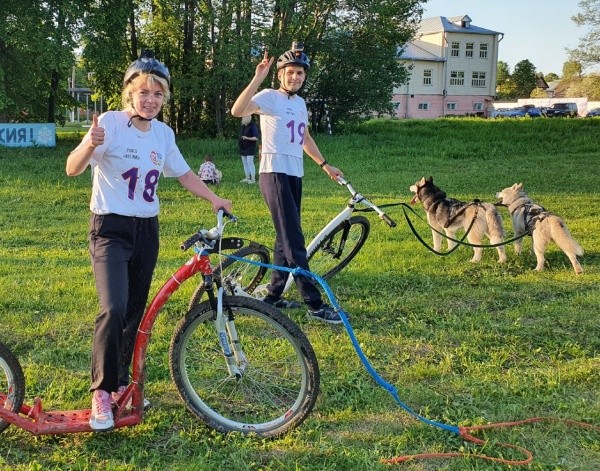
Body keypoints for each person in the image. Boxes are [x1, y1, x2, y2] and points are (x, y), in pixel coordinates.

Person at [65, 50, 232, 432]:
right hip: (110, 229)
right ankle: (101, 391)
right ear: (130, 92)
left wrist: (214, 198)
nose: (151, 100)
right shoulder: (110, 123)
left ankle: (122, 383)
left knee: (134, 313)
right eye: (144, 92)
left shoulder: (163, 133)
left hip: (146, 231)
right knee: (114, 308)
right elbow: (72, 168)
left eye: (158, 94)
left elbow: (184, 173)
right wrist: (89, 144)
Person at [231, 42, 344, 325]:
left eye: (300, 73)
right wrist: (257, 77)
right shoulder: (270, 97)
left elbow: (304, 138)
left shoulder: (300, 104)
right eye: (290, 72)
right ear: (280, 74)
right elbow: (237, 110)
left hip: (294, 174)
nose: (295, 77)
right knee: (294, 241)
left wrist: (325, 165)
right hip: (274, 174)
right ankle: (314, 304)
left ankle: (273, 294)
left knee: (285, 238)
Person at [238, 115, 259, 183]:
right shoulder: (243, 126)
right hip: (243, 147)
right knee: (245, 163)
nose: (242, 119)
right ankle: (247, 177)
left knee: (250, 162)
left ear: (248, 118)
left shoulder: (253, 126)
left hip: (250, 148)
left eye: (243, 118)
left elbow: (256, 138)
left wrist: (247, 138)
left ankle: (253, 179)